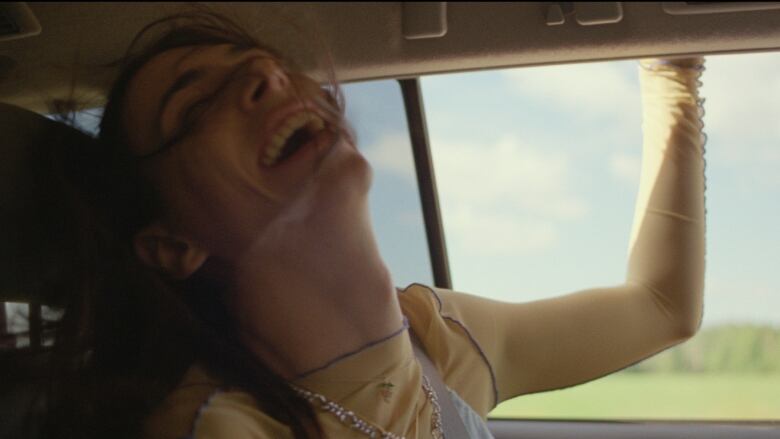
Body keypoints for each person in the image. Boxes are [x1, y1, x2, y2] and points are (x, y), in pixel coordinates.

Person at [34, 9, 706, 439]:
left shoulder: (436, 344)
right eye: (196, 103)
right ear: (172, 243)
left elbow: (661, 306)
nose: (269, 75)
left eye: (259, 61)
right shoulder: (218, 428)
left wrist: (673, 62)